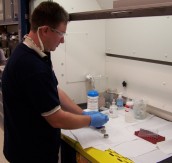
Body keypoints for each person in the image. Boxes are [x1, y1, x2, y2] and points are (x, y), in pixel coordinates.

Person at [2, 2, 109, 163]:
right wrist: (90, 120)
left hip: (24, 145)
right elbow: (57, 119)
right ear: (45, 30)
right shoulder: (31, 66)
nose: (62, 41)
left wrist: (82, 113)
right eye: (61, 34)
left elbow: (54, 90)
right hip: (30, 154)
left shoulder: (36, 52)